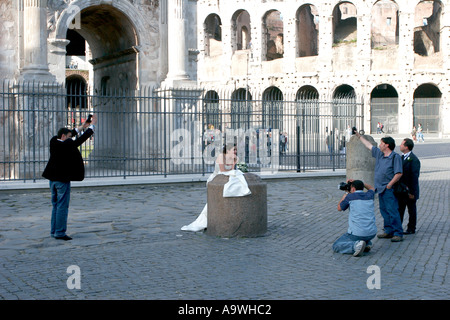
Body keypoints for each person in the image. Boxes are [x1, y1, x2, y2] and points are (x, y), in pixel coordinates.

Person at [42, 115, 97, 240]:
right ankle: (60, 232)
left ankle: (53, 231)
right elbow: (79, 140)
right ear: (63, 137)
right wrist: (92, 127)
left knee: (55, 205)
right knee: (62, 206)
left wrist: (82, 126)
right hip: (62, 180)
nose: (70, 137)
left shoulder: (53, 141)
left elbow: (71, 134)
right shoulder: (67, 144)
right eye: (68, 136)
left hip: (52, 180)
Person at [181, 143, 250, 232]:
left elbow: (232, 170)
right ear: (228, 150)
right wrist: (233, 167)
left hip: (227, 176)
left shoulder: (235, 158)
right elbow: (223, 170)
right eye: (234, 150)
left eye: (236, 150)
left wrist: (234, 163)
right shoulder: (221, 157)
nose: (236, 152)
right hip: (217, 177)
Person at [355, 132, 404, 242]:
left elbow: (399, 173)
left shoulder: (394, 157)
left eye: (381, 143)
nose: (379, 145)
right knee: (384, 210)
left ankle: (398, 233)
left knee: (392, 210)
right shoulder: (379, 154)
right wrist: (359, 136)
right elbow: (369, 145)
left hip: (388, 189)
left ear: (387, 145)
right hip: (380, 188)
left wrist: (390, 185)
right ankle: (388, 231)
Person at [333, 180, 377, 257]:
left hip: (357, 234)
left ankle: (356, 246)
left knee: (336, 245)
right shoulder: (370, 195)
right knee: (364, 233)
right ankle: (367, 243)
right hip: (372, 233)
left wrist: (346, 193)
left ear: (353, 189)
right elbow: (371, 188)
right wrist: (361, 183)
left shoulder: (350, 197)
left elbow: (339, 208)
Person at [398, 138, 421, 234]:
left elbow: (414, 177)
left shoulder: (414, 159)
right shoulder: (401, 157)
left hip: (409, 190)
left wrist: (412, 192)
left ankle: (411, 228)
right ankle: (398, 227)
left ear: (406, 147)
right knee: (400, 209)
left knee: (411, 210)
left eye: (402, 144)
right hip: (401, 190)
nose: (400, 146)